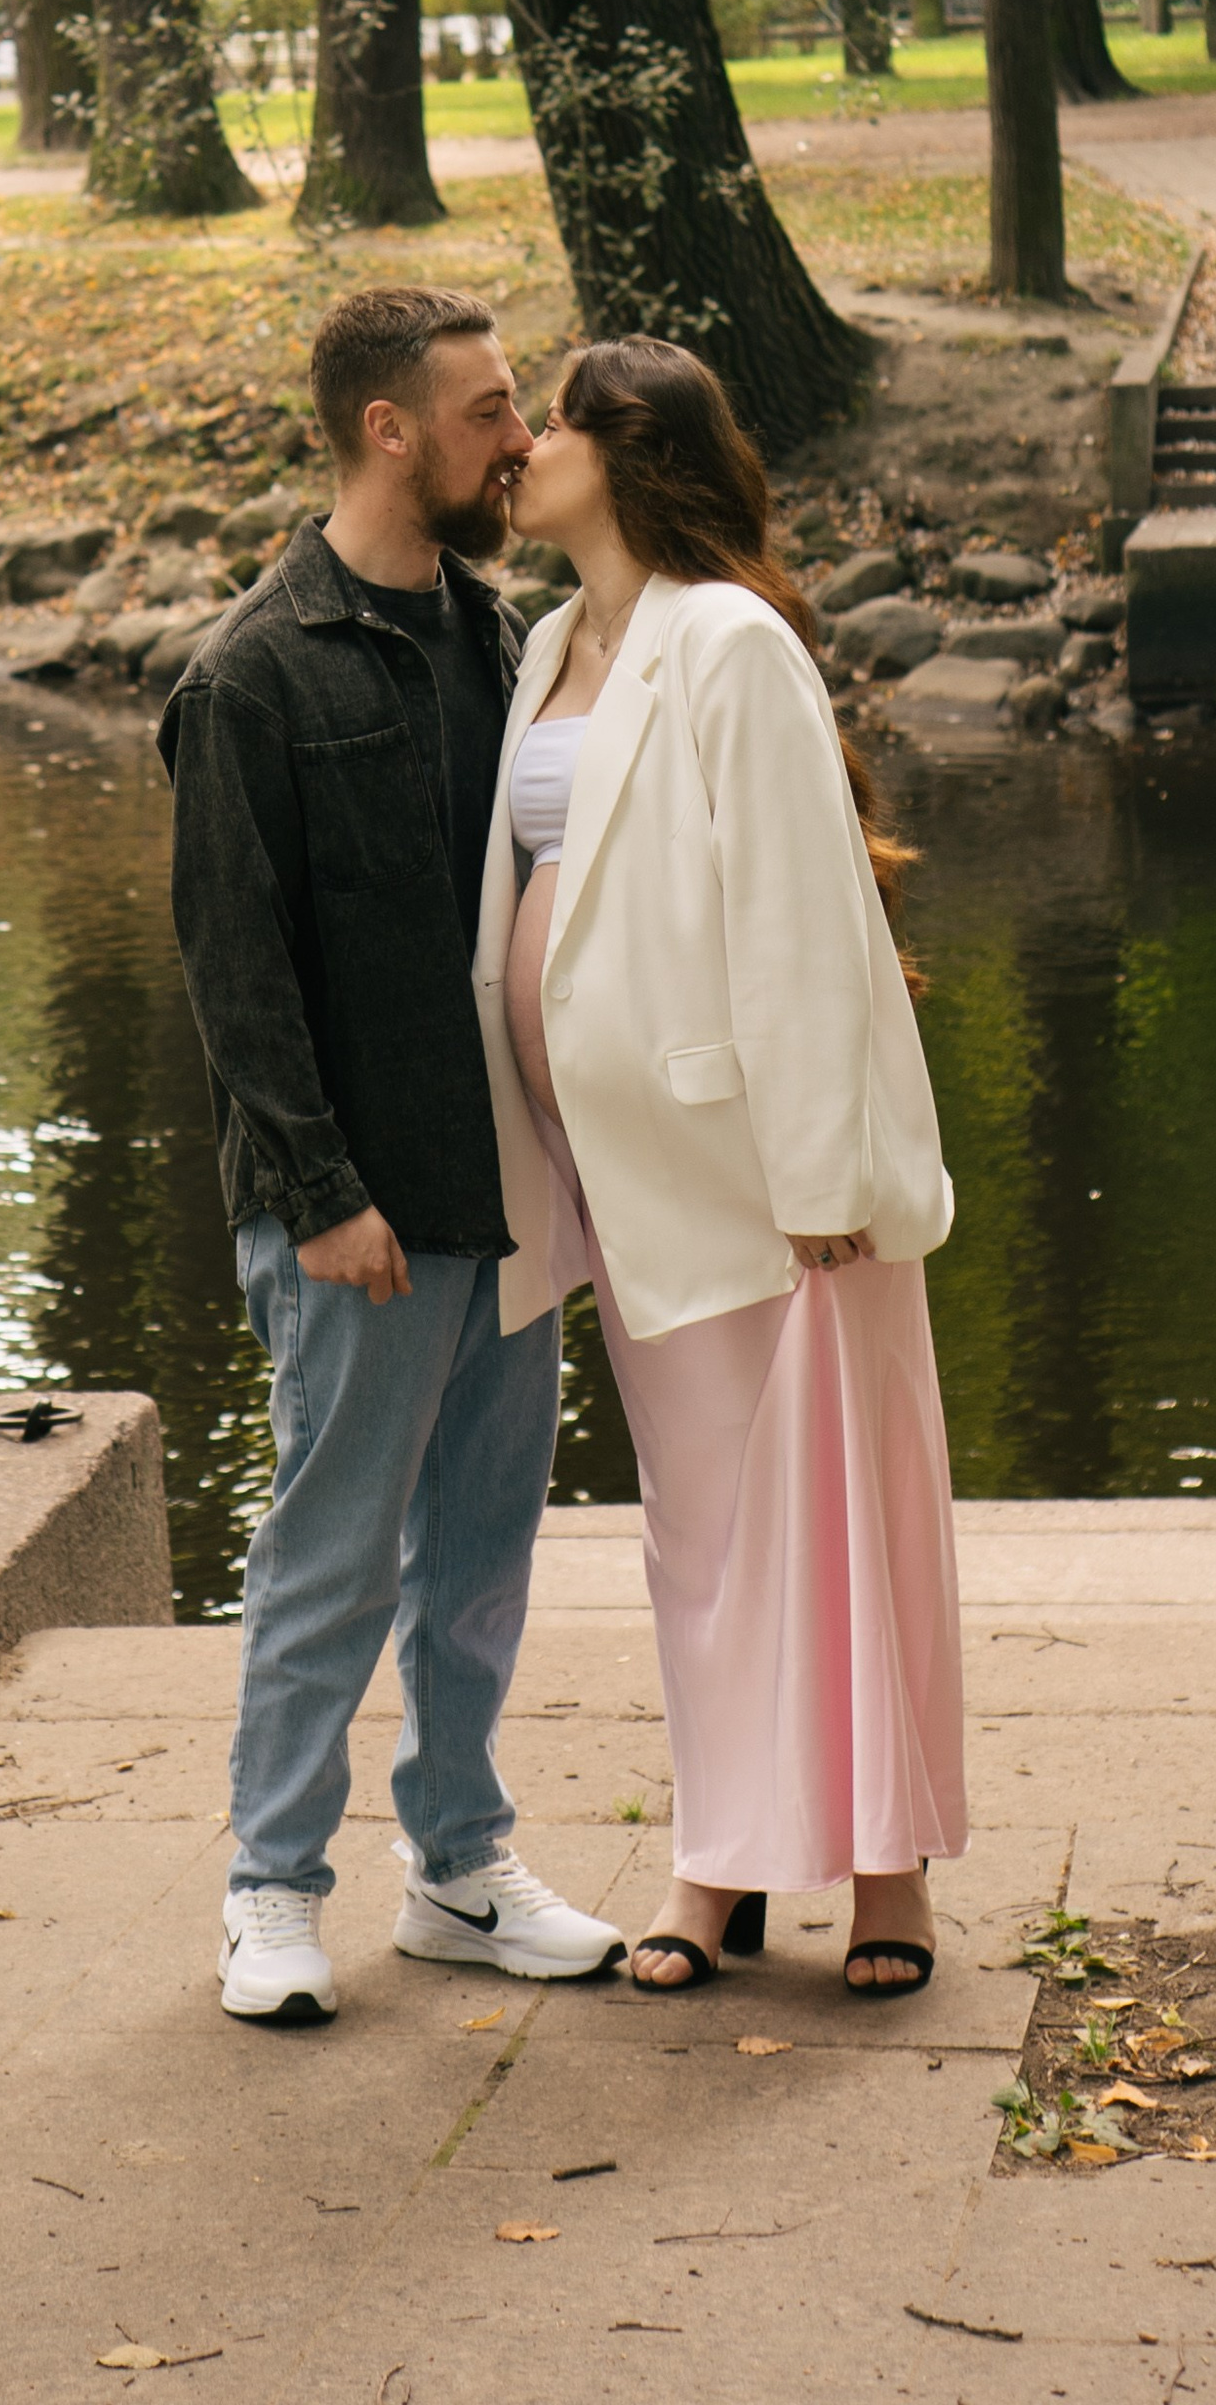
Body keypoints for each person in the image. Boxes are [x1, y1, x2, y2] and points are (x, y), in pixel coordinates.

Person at [159, 285, 626, 2026]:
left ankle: (460, 1871)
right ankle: (270, 1892)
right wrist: (322, 1193)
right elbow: (237, 974)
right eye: (493, 410)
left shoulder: (504, 644)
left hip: (513, 1197)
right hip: (356, 1216)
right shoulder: (250, 675)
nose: (521, 439)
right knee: (329, 1559)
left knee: (483, 1558)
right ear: (391, 431)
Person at [477, 333, 966, 1995]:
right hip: (617, 1173)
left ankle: (884, 1874)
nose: (524, 446)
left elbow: (801, 915)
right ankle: (723, 1859)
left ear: (630, 452)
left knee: (833, 1508)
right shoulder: (552, 640)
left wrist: (824, 1170)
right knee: (698, 1532)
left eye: (553, 423)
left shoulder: (731, 640)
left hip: (767, 1176)